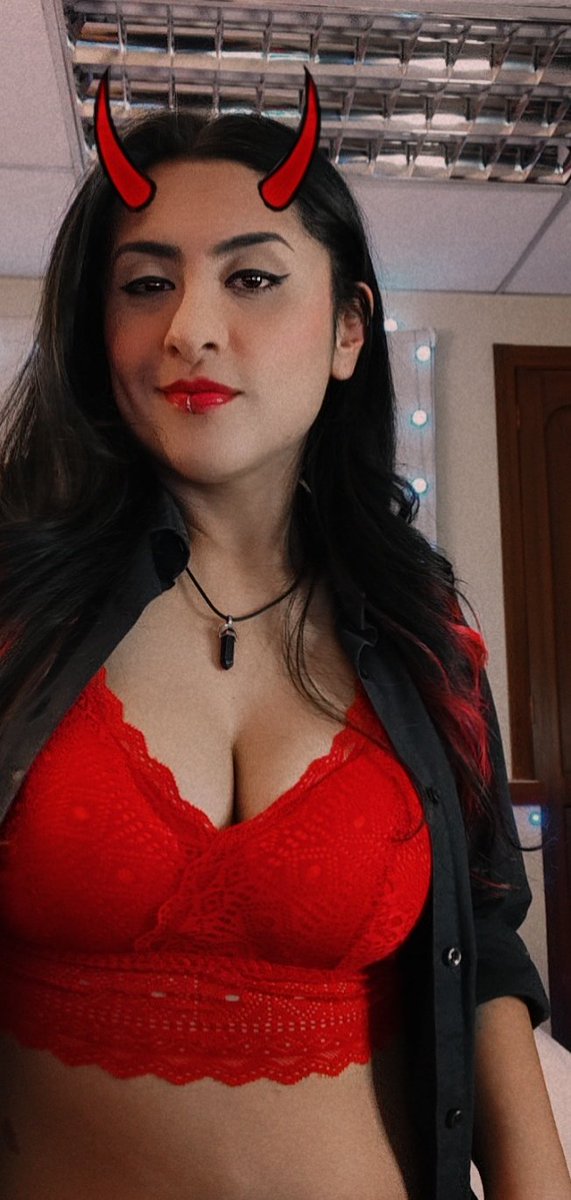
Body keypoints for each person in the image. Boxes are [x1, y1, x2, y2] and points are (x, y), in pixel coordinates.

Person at [0, 93, 567, 1200]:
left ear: (350, 329)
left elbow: (487, 944)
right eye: (146, 284)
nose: (190, 328)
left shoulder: (425, 639)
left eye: (252, 278)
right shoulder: (17, 611)